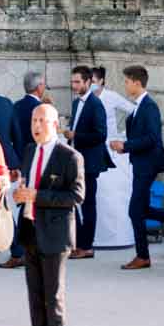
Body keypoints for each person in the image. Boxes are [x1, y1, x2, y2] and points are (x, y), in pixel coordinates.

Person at [10, 102, 84, 326]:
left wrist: (38, 197)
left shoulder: (70, 156)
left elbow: (76, 196)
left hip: (55, 234)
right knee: (34, 295)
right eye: (33, 120)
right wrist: (20, 195)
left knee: (53, 296)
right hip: (30, 230)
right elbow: (27, 185)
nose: (36, 126)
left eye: (42, 120)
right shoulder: (30, 151)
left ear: (54, 124)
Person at [110, 64, 164, 271]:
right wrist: (124, 148)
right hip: (141, 163)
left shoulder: (149, 106)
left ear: (136, 82)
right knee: (141, 210)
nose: (125, 85)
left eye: (126, 81)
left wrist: (125, 145)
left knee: (135, 211)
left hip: (147, 165)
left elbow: (152, 139)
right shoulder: (139, 106)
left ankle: (143, 256)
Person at [1, 71, 46, 270]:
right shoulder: (41, 109)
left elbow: (15, 136)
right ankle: (30, 249)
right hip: (38, 161)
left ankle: (20, 249)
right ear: (39, 87)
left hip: (20, 160)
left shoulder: (16, 106)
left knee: (18, 205)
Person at [67, 65, 112, 259]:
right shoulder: (77, 103)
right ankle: (77, 243)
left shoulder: (96, 104)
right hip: (76, 160)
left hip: (90, 163)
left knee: (88, 204)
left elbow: (101, 134)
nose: (74, 85)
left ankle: (87, 246)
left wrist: (76, 135)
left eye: (77, 82)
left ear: (88, 82)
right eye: (73, 82)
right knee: (75, 203)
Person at [92, 66, 135, 250]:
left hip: (111, 145)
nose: (91, 84)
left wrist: (125, 134)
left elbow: (132, 110)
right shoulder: (86, 99)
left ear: (101, 81)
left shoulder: (111, 96)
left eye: (93, 81)